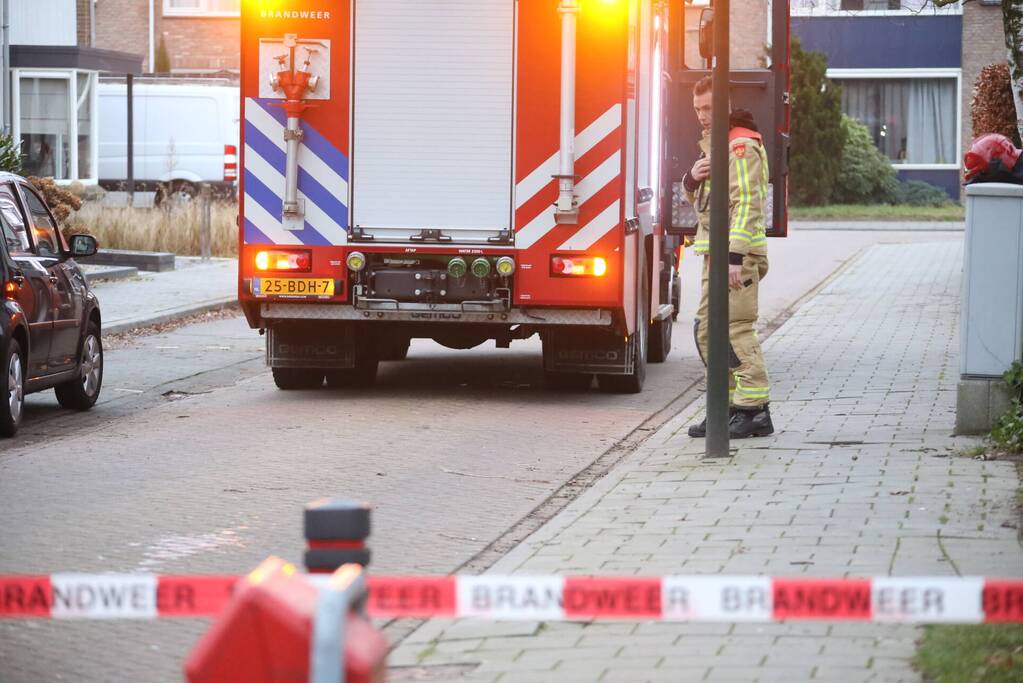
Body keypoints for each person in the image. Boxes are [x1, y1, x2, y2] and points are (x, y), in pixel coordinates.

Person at [681, 75, 774, 439]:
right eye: (698, 109)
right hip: (717, 256)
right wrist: (691, 180)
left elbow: (748, 204)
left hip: (737, 257)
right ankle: (725, 406)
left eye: (709, 108)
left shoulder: (740, 147)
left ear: (727, 105)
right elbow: (709, 208)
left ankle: (754, 412)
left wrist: (735, 257)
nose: (703, 115)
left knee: (735, 330)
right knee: (706, 331)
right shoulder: (715, 146)